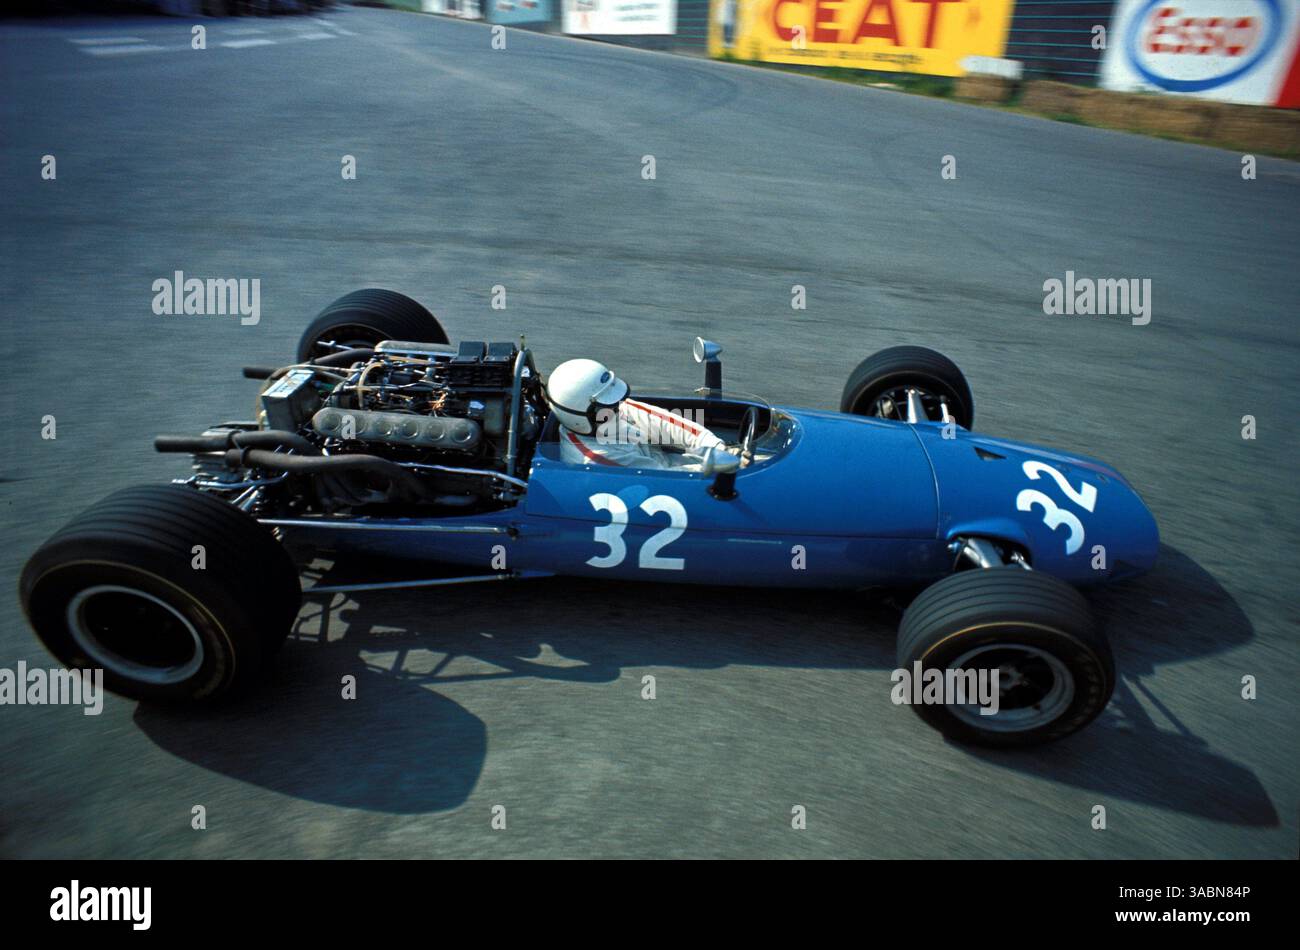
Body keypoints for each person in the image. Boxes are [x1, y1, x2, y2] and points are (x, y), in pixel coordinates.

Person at [545, 358, 740, 471]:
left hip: (670, 465)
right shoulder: (596, 458)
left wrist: (716, 446)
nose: (618, 407)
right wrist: (713, 466)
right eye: (609, 406)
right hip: (661, 484)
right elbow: (664, 478)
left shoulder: (607, 411)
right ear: (582, 417)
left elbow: (664, 423)